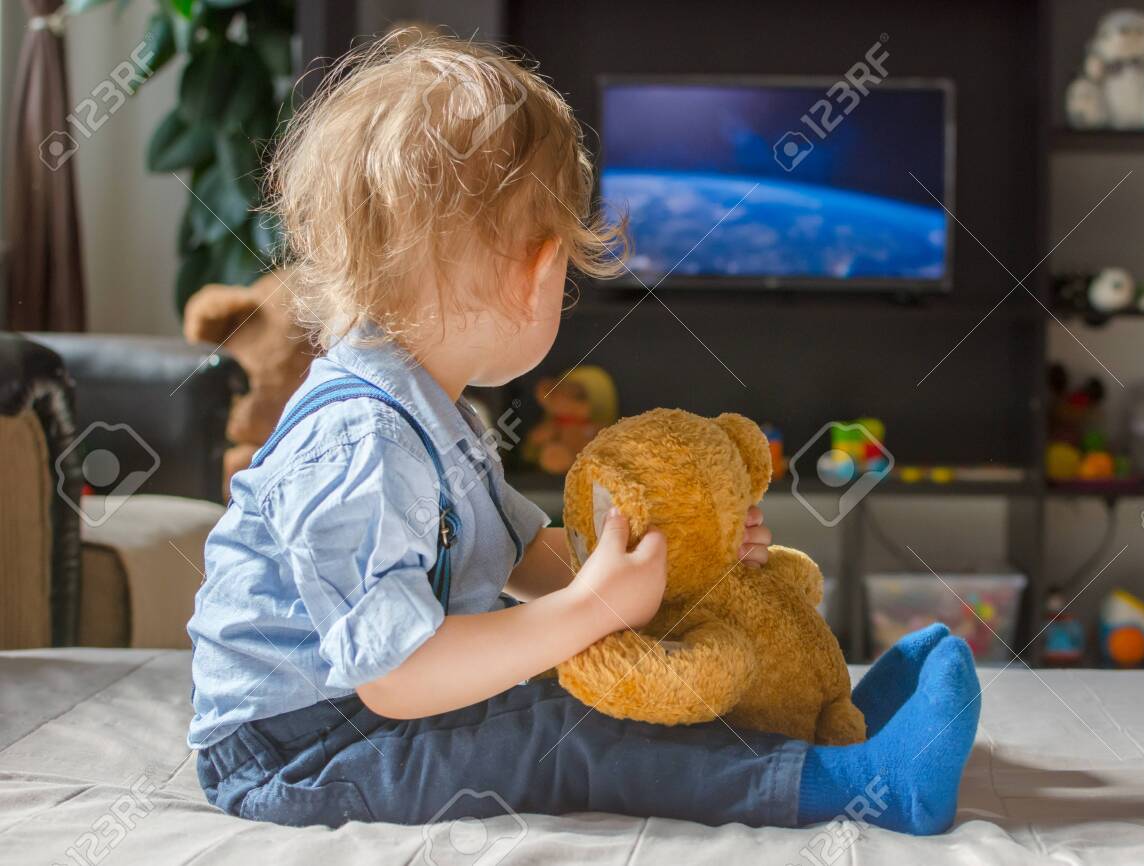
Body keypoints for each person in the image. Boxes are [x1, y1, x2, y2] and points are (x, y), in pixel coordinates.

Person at [187, 33, 980, 835]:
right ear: (537, 272)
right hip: (300, 748)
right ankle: (850, 784)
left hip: (357, 716)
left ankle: (817, 719)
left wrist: (670, 569)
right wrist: (594, 606)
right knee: (561, 733)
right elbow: (395, 675)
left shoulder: (431, 415)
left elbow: (527, 562)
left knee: (596, 673)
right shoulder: (363, 440)